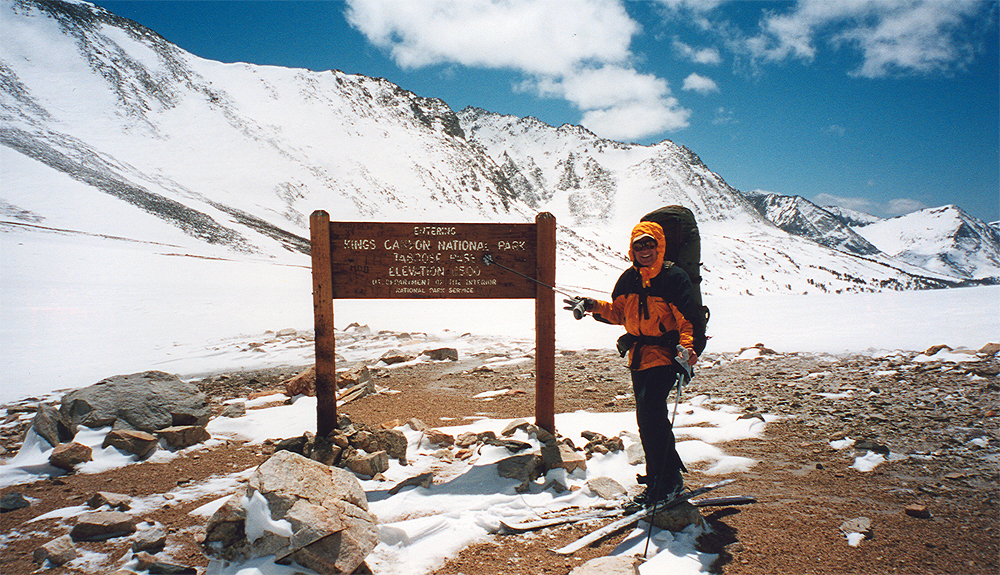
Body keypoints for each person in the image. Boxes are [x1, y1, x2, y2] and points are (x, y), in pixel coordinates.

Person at [565, 221, 704, 504]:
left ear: (659, 246)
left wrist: (687, 351)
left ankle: (666, 481)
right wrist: (592, 306)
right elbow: (618, 314)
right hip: (639, 357)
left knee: (651, 417)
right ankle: (660, 478)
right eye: (639, 245)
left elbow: (688, 319)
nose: (645, 250)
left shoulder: (673, 277)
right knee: (648, 419)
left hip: (666, 356)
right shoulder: (628, 279)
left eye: (650, 244)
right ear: (632, 249)